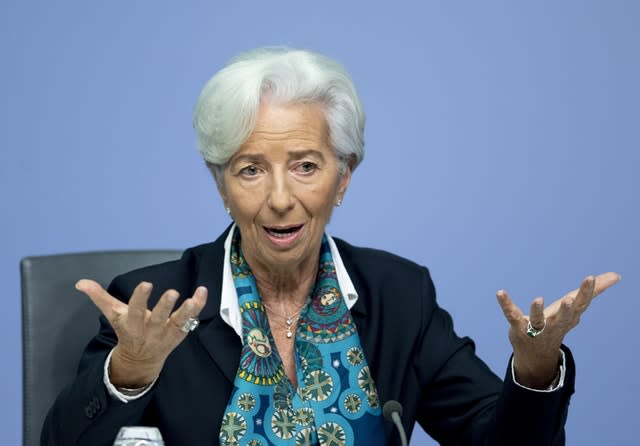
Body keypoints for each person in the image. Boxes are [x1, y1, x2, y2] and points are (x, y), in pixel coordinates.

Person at [42, 47, 620, 446]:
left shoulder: (400, 295)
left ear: (343, 178)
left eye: (305, 166)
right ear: (221, 185)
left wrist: (536, 370)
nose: (279, 198)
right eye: (249, 170)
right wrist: (131, 372)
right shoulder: (154, 305)